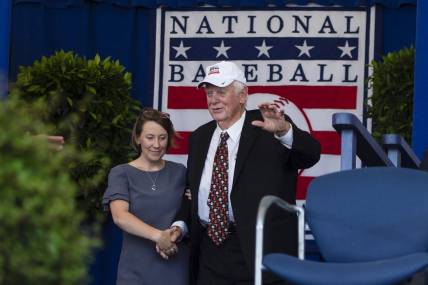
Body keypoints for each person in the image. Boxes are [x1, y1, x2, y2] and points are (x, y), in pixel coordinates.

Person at [162, 61, 321, 284]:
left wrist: (284, 131)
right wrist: (179, 226)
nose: (214, 99)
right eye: (209, 93)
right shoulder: (199, 137)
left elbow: (311, 155)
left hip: (261, 251)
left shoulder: (268, 125)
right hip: (210, 252)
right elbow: (194, 193)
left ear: (243, 95)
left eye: (221, 91)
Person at [102, 108, 189, 285]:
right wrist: (159, 236)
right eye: (150, 137)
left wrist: (175, 233)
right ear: (137, 138)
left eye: (162, 137)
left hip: (175, 269)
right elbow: (120, 216)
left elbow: (190, 212)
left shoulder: (181, 172)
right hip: (135, 273)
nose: (156, 144)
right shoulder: (121, 173)